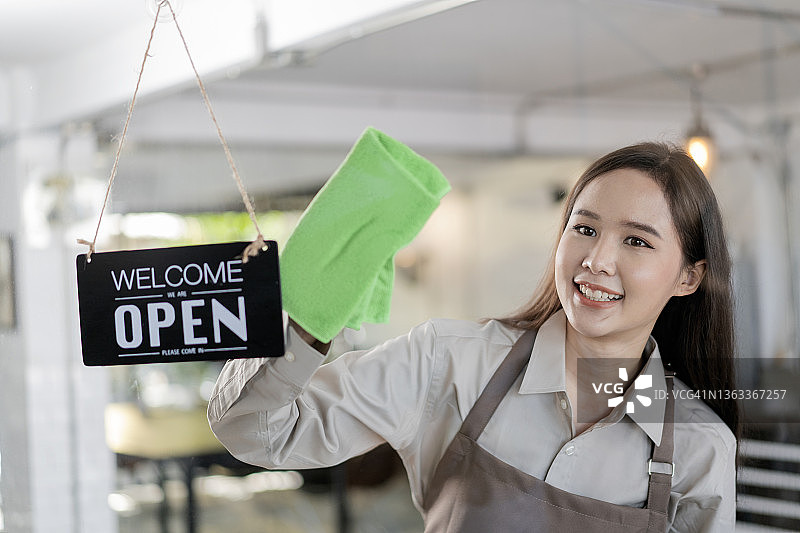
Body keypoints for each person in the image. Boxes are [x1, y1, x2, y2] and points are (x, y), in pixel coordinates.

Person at [208, 142, 738, 532]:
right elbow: (258, 432)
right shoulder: (449, 363)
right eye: (585, 228)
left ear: (689, 276)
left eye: (637, 241)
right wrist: (307, 312)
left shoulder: (698, 446)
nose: (597, 260)